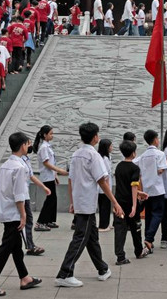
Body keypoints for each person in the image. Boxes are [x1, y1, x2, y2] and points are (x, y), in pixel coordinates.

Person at [55, 122, 123, 288]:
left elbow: (71, 179)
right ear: (95, 137)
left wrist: (72, 201)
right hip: (86, 202)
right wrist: (115, 202)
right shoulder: (94, 156)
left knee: (92, 237)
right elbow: (102, 181)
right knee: (80, 238)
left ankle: (102, 268)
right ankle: (65, 273)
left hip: (81, 201)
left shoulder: (76, 154)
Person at [0, 132, 43, 296]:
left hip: (5, 210)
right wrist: (23, 216)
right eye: (27, 144)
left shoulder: (5, 165)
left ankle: (25, 277)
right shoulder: (20, 167)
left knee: (16, 247)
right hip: (13, 213)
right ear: (23, 145)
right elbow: (19, 195)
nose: (28, 146)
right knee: (6, 247)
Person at [113, 140, 149, 265]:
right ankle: (139, 251)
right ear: (133, 153)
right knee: (136, 228)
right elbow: (133, 187)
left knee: (119, 229)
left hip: (119, 202)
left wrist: (140, 193)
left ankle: (120, 256)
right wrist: (134, 205)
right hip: (129, 203)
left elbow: (122, 186)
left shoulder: (118, 166)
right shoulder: (135, 168)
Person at [33, 125, 68, 231]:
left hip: (50, 176)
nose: (52, 135)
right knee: (50, 199)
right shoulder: (43, 147)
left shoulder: (47, 146)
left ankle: (49, 220)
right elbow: (46, 163)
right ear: (45, 135)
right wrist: (59, 170)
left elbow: (51, 162)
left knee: (53, 199)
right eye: (50, 134)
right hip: (47, 177)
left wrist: (55, 175)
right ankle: (40, 222)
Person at [138, 129, 167, 252]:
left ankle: (147, 239)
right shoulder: (160, 154)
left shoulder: (142, 156)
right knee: (158, 214)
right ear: (155, 139)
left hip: (146, 189)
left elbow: (138, 171)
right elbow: (161, 170)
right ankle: (149, 239)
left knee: (148, 214)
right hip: (158, 188)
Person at [97, 139, 114, 232]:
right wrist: (107, 188)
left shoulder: (106, 157)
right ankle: (103, 225)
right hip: (104, 186)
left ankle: (106, 223)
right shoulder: (104, 159)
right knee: (104, 206)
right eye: (110, 146)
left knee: (105, 205)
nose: (112, 148)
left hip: (105, 186)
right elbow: (106, 174)